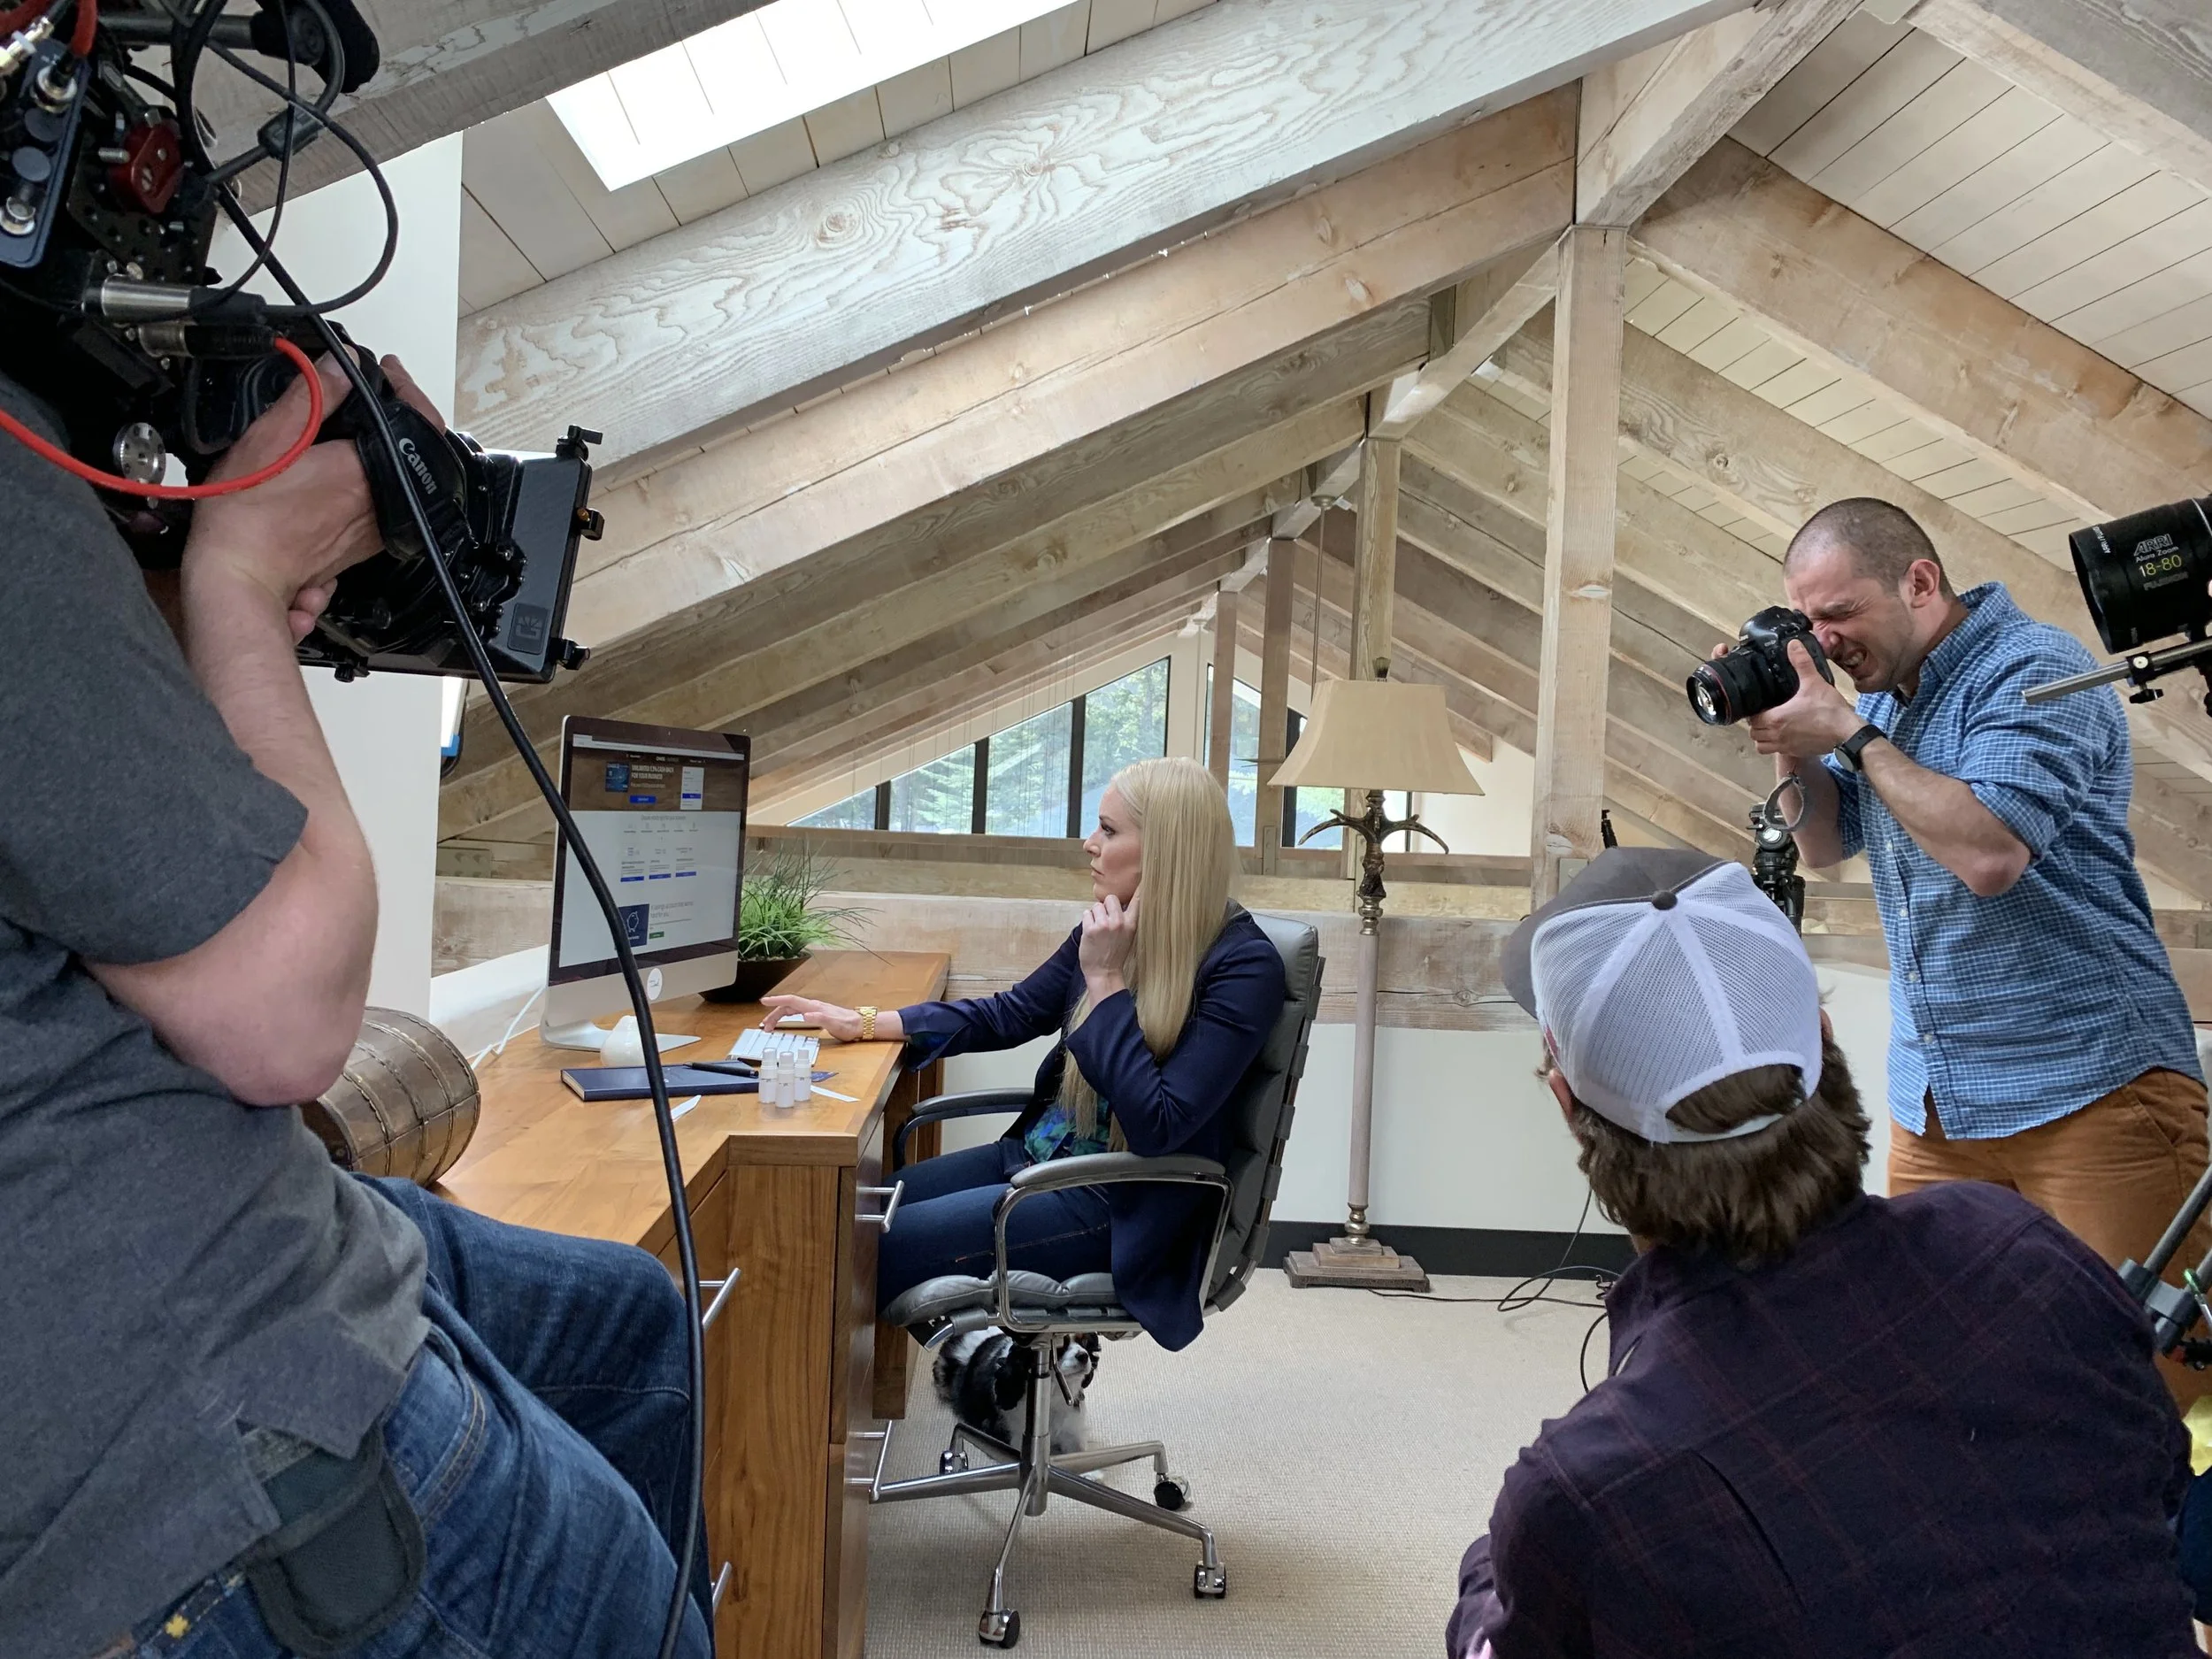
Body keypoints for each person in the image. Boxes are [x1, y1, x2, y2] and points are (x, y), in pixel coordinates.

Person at [0, 356, 711, 1659]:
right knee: (623, 1591)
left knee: (636, 1321)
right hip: (157, 1423)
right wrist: (239, 575)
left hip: (229, 1209)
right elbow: (285, 1020)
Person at [1447, 846, 2198, 1659]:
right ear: (1826, 1038)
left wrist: (1491, 1571)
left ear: (1568, 1104)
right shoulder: (2026, 1251)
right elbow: (2160, 1490)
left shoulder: (1586, 1494)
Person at [1728, 496, 2211, 1401]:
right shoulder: (1881, 696)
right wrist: (1791, 736)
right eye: (1808, 619)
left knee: (2146, 1390)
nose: (1825, 640)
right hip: (1940, 1104)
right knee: (1940, 1375)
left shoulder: (2035, 668)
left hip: (2093, 1087)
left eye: (1840, 613)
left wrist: (1850, 732)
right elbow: (1823, 843)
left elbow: (1989, 853)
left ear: (1919, 583)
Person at [764, 756, 1285, 1351]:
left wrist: (1106, 981)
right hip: (1035, 1160)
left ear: (1166, 850)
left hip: (1115, 1205)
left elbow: (1158, 1122)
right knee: (847, 1215)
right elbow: (1010, 1012)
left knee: (854, 1250)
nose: (1089, 844)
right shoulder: (1113, 931)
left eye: (1109, 830)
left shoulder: (1243, 967)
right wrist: (865, 1021)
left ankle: (815, 1410)